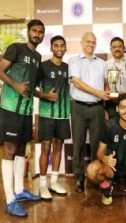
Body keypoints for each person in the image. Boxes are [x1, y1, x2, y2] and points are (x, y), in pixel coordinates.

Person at [0, 19, 45, 217]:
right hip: (10, 108)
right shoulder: (16, 48)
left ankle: (19, 191)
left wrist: (45, 96)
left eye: (40, 32)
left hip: (26, 111)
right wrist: (16, 86)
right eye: (34, 31)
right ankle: (10, 200)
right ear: (28, 32)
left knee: (20, 149)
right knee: (9, 151)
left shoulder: (37, 56)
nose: (37, 34)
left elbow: (32, 88)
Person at [69, 32, 110, 193]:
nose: (91, 44)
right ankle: (79, 177)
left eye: (93, 42)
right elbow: (77, 83)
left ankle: (95, 175)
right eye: (88, 41)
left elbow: (106, 83)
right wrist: (98, 93)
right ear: (81, 42)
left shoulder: (102, 63)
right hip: (78, 106)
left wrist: (106, 93)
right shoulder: (74, 60)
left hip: (98, 108)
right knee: (78, 143)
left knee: (96, 145)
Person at [34, 35, 70, 200]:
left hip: (63, 115)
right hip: (47, 114)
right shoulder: (42, 66)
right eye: (56, 45)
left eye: (62, 46)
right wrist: (46, 96)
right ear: (51, 48)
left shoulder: (68, 67)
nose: (59, 48)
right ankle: (42, 184)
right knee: (46, 148)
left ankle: (54, 182)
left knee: (58, 147)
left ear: (65, 48)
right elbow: (32, 89)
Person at [105, 37, 126, 119]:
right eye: (114, 47)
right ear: (110, 49)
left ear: (123, 48)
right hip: (112, 103)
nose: (117, 49)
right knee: (113, 129)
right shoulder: (105, 65)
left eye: (120, 46)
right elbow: (104, 84)